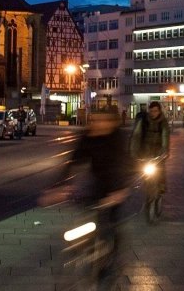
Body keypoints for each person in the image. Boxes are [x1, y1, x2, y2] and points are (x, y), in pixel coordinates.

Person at [42, 107, 133, 279]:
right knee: (87, 218)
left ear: (113, 123)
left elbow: (127, 165)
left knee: (110, 225)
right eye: (94, 120)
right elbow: (72, 162)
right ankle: (88, 251)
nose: (98, 125)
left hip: (115, 185)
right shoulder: (87, 137)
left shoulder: (118, 139)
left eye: (103, 121)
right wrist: (58, 187)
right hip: (96, 184)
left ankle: (111, 260)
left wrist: (121, 190)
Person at [131, 101, 171, 192]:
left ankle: (161, 185)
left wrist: (165, 150)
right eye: (152, 111)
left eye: (156, 111)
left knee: (160, 170)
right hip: (146, 153)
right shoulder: (144, 122)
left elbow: (165, 136)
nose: (153, 113)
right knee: (144, 172)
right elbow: (136, 136)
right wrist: (134, 151)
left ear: (159, 111)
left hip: (158, 153)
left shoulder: (163, 123)